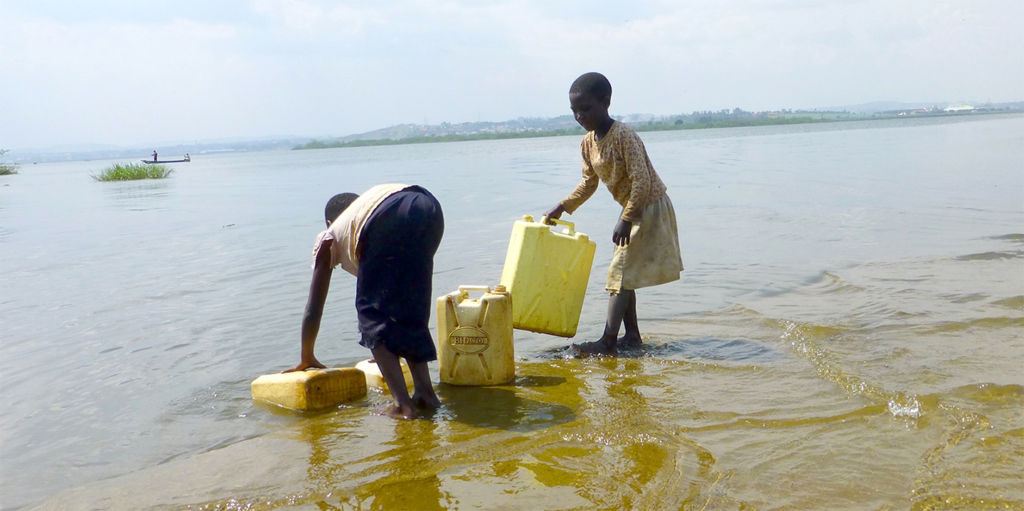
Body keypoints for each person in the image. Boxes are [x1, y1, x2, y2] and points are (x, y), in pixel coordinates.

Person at [545, 72, 683, 356]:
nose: (579, 116)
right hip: (633, 209)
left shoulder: (623, 135)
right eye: (574, 110)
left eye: (586, 108)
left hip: (649, 206)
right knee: (625, 273)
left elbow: (642, 181)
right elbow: (588, 183)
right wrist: (563, 206)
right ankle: (631, 336)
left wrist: (626, 218)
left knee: (619, 273)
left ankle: (608, 341)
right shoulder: (587, 143)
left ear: (606, 103)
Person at [286, 184, 444, 418]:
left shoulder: (330, 235)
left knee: (371, 314)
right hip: (429, 208)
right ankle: (425, 393)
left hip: (390, 214)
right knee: (410, 309)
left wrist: (306, 355)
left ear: (329, 222)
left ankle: (402, 405)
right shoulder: (361, 214)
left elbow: (314, 307)